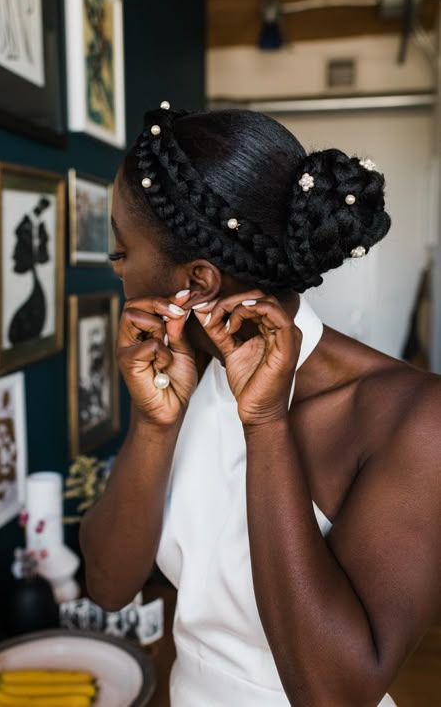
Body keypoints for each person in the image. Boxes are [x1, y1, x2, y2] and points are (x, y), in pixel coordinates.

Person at [79, 103, 441, 706]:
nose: (117, 272)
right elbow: (109, 585)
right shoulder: (185, 376)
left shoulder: (413, 418)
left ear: (196, 282)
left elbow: (333, 694)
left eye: (121, 254)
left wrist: (267, 425)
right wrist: (152, 423)